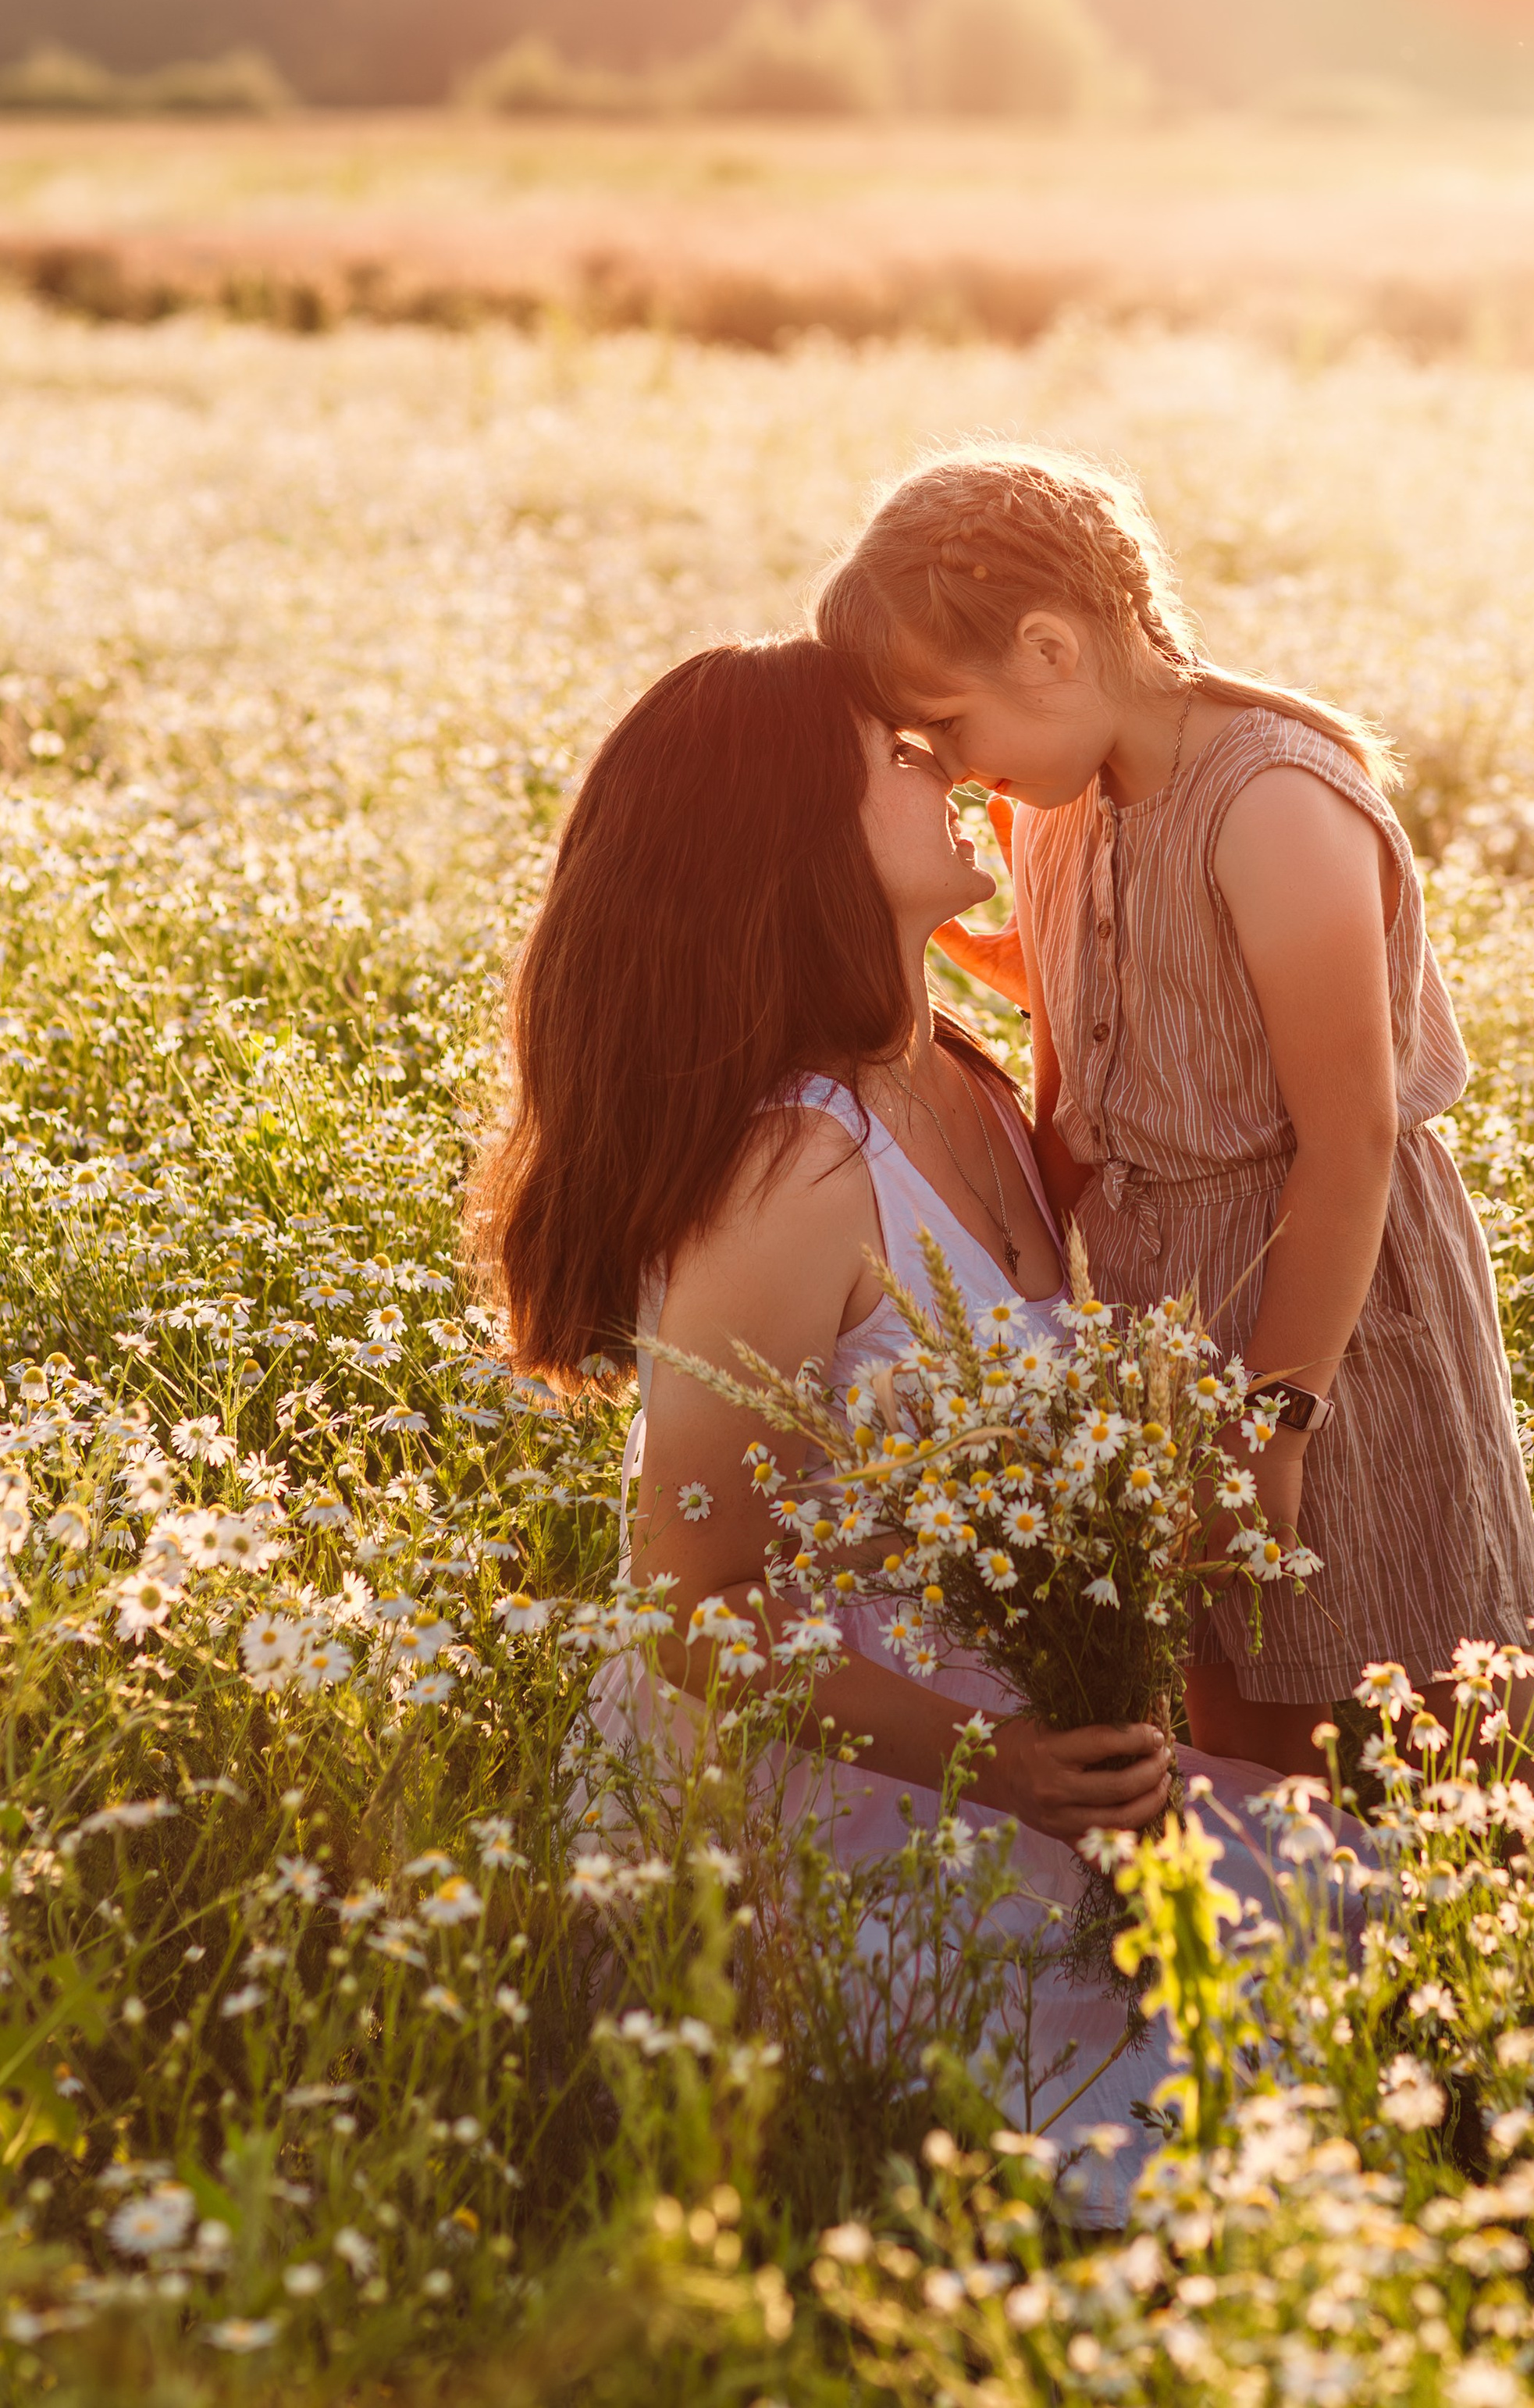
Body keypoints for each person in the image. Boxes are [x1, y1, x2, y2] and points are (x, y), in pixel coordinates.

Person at [468, 636, 1372, 2200]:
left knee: (1424, 1936)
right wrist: (1004, 1761)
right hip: (860, 1795)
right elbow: (689, 1609)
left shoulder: (957, 1078)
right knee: (1192, 2158)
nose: (943, 763)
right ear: (789, 835)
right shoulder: (788, 1172)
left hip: (1041, 1760)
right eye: (894, 753)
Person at [813, 446, 1534, 1779]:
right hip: (1166, 1322)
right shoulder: (1059, 803)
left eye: (953, 725)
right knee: (1254, 1751)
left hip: (1329, 1322)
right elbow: (1130, 995)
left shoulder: (1271, 801)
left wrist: (1276, 1417)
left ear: (1051, 649)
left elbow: (1351, 1138)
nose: (957, 769)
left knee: (1433, 1746)